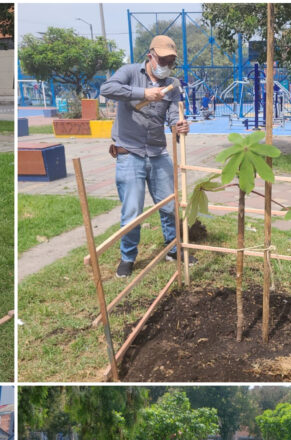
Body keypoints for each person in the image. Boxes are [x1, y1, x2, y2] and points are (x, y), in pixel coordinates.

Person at [100, 35, 193, 278]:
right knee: (132, 211)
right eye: (163, 60)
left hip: (157, 152)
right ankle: (128, 257)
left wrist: (179, 126)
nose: (166, 66)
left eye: (171, 62)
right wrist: (144, 93)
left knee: (169, 205)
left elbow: (173, 116)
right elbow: (107, 89)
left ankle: (174, 248)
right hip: (129, 152)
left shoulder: (172, 84)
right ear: (150, 56)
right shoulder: (130, 72)